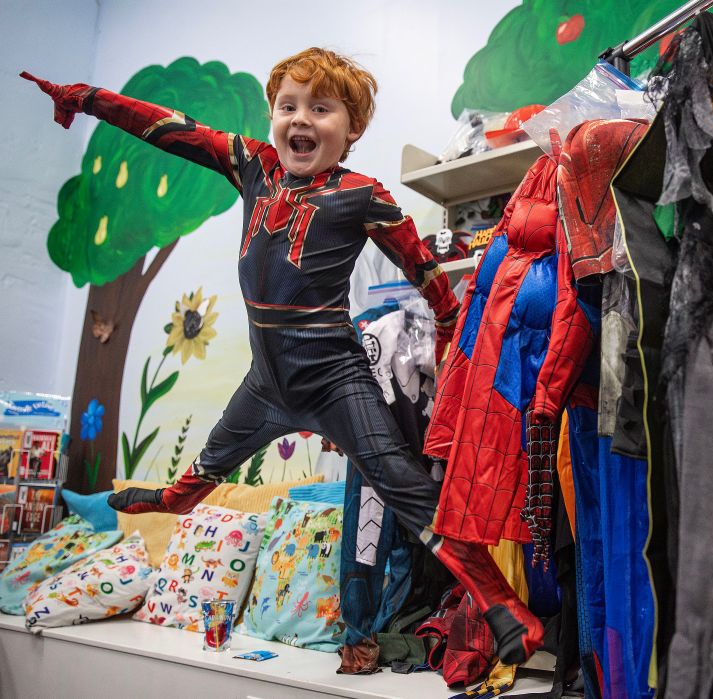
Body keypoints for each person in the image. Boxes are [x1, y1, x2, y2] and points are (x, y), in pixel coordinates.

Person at [21, 47, 543, 666]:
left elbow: (423, 266)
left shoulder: (362, 195)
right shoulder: (252, 165)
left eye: (321, 109)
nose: (301, 119)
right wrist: (85, 98)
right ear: (272, 116)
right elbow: (166, 127)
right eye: (288, 106)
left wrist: (454, 325)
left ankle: (502, 606)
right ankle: (172, 500)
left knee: (401, 482)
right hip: (266, 383)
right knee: (211, 462)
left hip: (336, 380)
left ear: (350, 131)